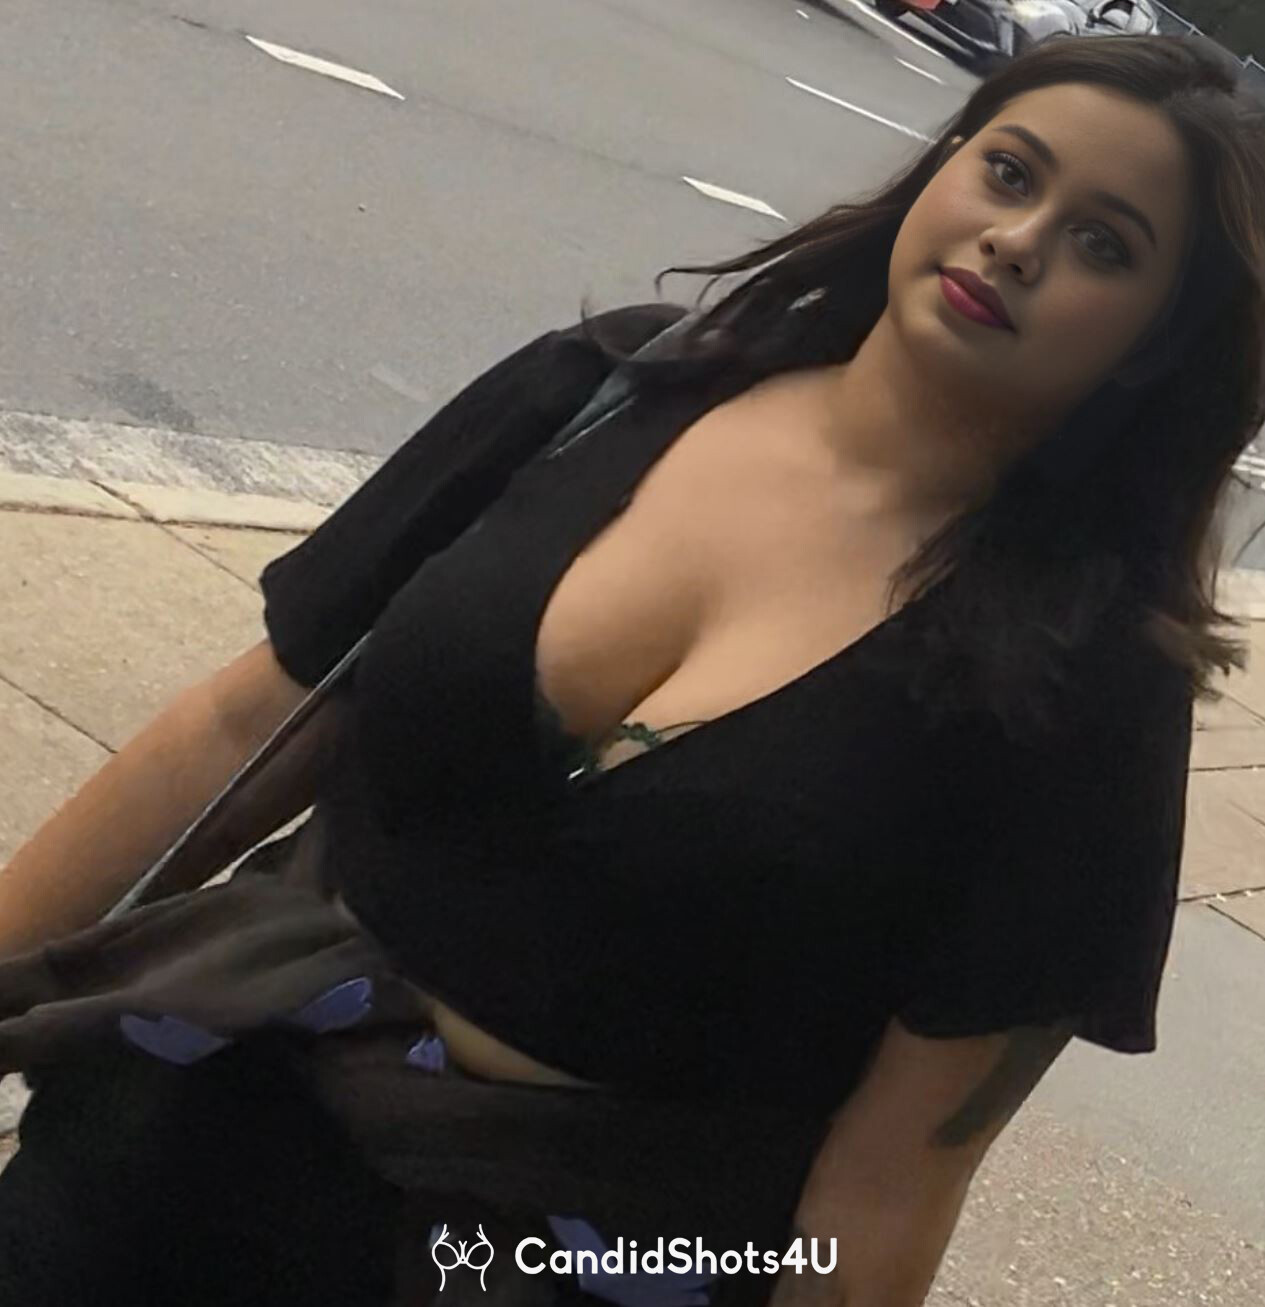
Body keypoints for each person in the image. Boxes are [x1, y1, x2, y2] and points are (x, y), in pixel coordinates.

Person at [0, 31, 1263, 1307]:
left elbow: (891, 1180)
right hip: (157, 1138)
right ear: (941, 166)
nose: (1018, 240)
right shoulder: (611, 388)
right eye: (1007, 171)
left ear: (1154, 344)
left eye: (1103, 244)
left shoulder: (1091, 692)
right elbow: (236, 730)